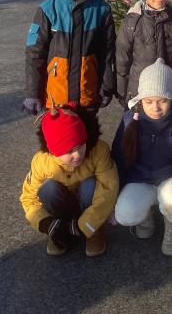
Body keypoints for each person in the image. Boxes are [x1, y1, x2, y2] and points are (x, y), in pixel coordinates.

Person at [111, 58, 172, 256]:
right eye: (148, 101)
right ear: (141, 99)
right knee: (124, 214)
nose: (155, 107)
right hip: (140, 179)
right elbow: (119, 158)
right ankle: (144, 216)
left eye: (162, 100)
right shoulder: (130, 119)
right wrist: (112, 197)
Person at [23, 0, 117, 114]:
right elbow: (35, 53)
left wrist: (106, 85)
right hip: (56, 98)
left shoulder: (101, 10)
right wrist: (32, 93)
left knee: (87, 132)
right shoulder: (48, 10)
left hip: (88, 95)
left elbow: (107, 51)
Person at [20, 104, 119, 257]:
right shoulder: (42, 162)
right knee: (47, 189)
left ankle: (93, 230)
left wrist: (86, 225)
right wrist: (46, 223)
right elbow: (29, 198)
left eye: (80, 145)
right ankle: (59, 230)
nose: (77, 154)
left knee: (91, 184)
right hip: (62, 205)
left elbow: (108, 188)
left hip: (88, 205)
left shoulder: (99, 151)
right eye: (69, 151)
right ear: (53, 151)